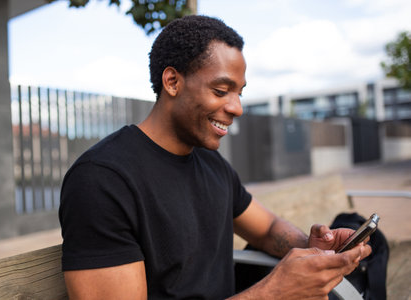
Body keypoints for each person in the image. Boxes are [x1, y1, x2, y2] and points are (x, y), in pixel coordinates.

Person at [59, 15, 371, 299]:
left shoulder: (211, 164)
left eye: (240, 93)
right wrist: (274, 292)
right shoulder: (102, 180)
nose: (237, 108)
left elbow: (266, 228)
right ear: (172, 82)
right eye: (221, 91)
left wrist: (311, 247)